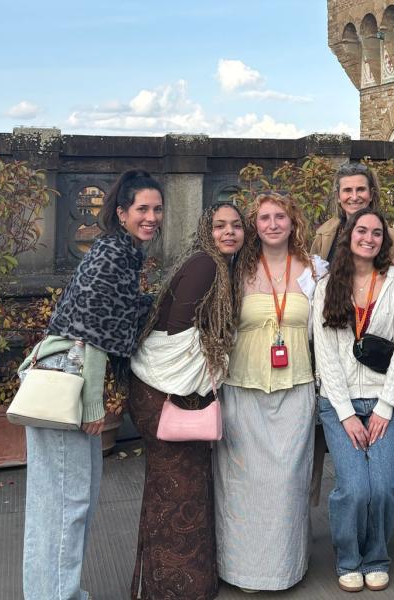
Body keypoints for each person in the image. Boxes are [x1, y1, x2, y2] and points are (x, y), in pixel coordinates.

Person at [17, 169, 163, 600]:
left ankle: (58, 591)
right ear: (121, 213)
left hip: (68, 379)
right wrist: (93, 404)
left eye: (157, 209)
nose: (151, 217)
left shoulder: (120, 252)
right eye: (142, 209)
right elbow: (90, 330)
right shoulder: (112, 255)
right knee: (66, 504)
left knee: (63, 502)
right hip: (69, 385)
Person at [128, 201, 245, 600]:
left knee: (182, 487)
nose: (228, 232)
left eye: (235, 226)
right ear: (204, 230)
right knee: (177, 489)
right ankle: (177, 588)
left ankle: (174, 583)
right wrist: (219, 355)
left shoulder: (217, 266)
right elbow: (179, 331)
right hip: (167, 392)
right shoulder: (205, 266)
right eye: (219, 226)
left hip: (168, 391)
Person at [213, 193, 327, 593]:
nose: (273, 224)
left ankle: (283, 568)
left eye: (281, 216)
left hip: (295, 388)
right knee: (242, 482)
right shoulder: (234, 268)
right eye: (264, 218)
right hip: (243, 389)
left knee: (287, 483)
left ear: (293, 223)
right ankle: (242, 569)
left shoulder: (316, 271)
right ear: (254, 225)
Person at [313, 208, 394, 593]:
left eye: (376, 233)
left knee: (385, 485)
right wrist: (345, 415)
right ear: (349, 236)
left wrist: (386, 407)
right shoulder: (327, 287)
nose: (368, 238)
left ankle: (376, 557)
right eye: (361, 231)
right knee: (354, 488)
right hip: (339, 403)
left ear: (384, 241)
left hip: (384, 399)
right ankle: (348, 558)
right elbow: (327, 356)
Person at [310, 162, 394, 266]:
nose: (354, 197)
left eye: (361, 189)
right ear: (338, 196)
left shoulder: (390, 237)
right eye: (347, 190)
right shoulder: (324, 235)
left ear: (371, 194)